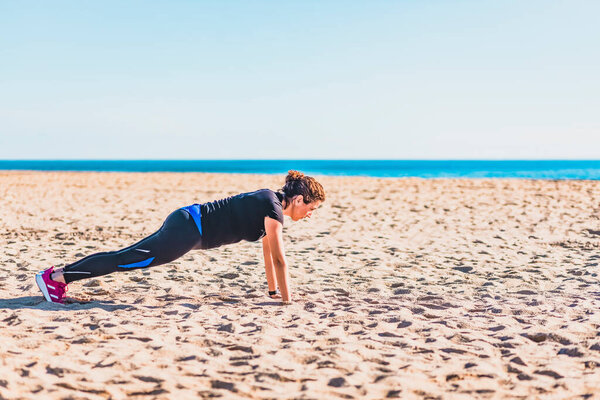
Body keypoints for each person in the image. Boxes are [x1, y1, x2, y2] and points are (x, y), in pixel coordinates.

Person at [35, 170, 325, 305]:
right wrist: (288, 302)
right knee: (128, 261)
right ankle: (56, 277)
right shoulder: (273, 210)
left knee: (128, 257)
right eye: (311, 208)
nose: (310, 214)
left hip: (188, 222)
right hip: (189, 230)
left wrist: (274, 293)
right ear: (298, 199)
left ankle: (58, 276)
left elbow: (267, 255)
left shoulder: (270, 202)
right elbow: (279, 260)